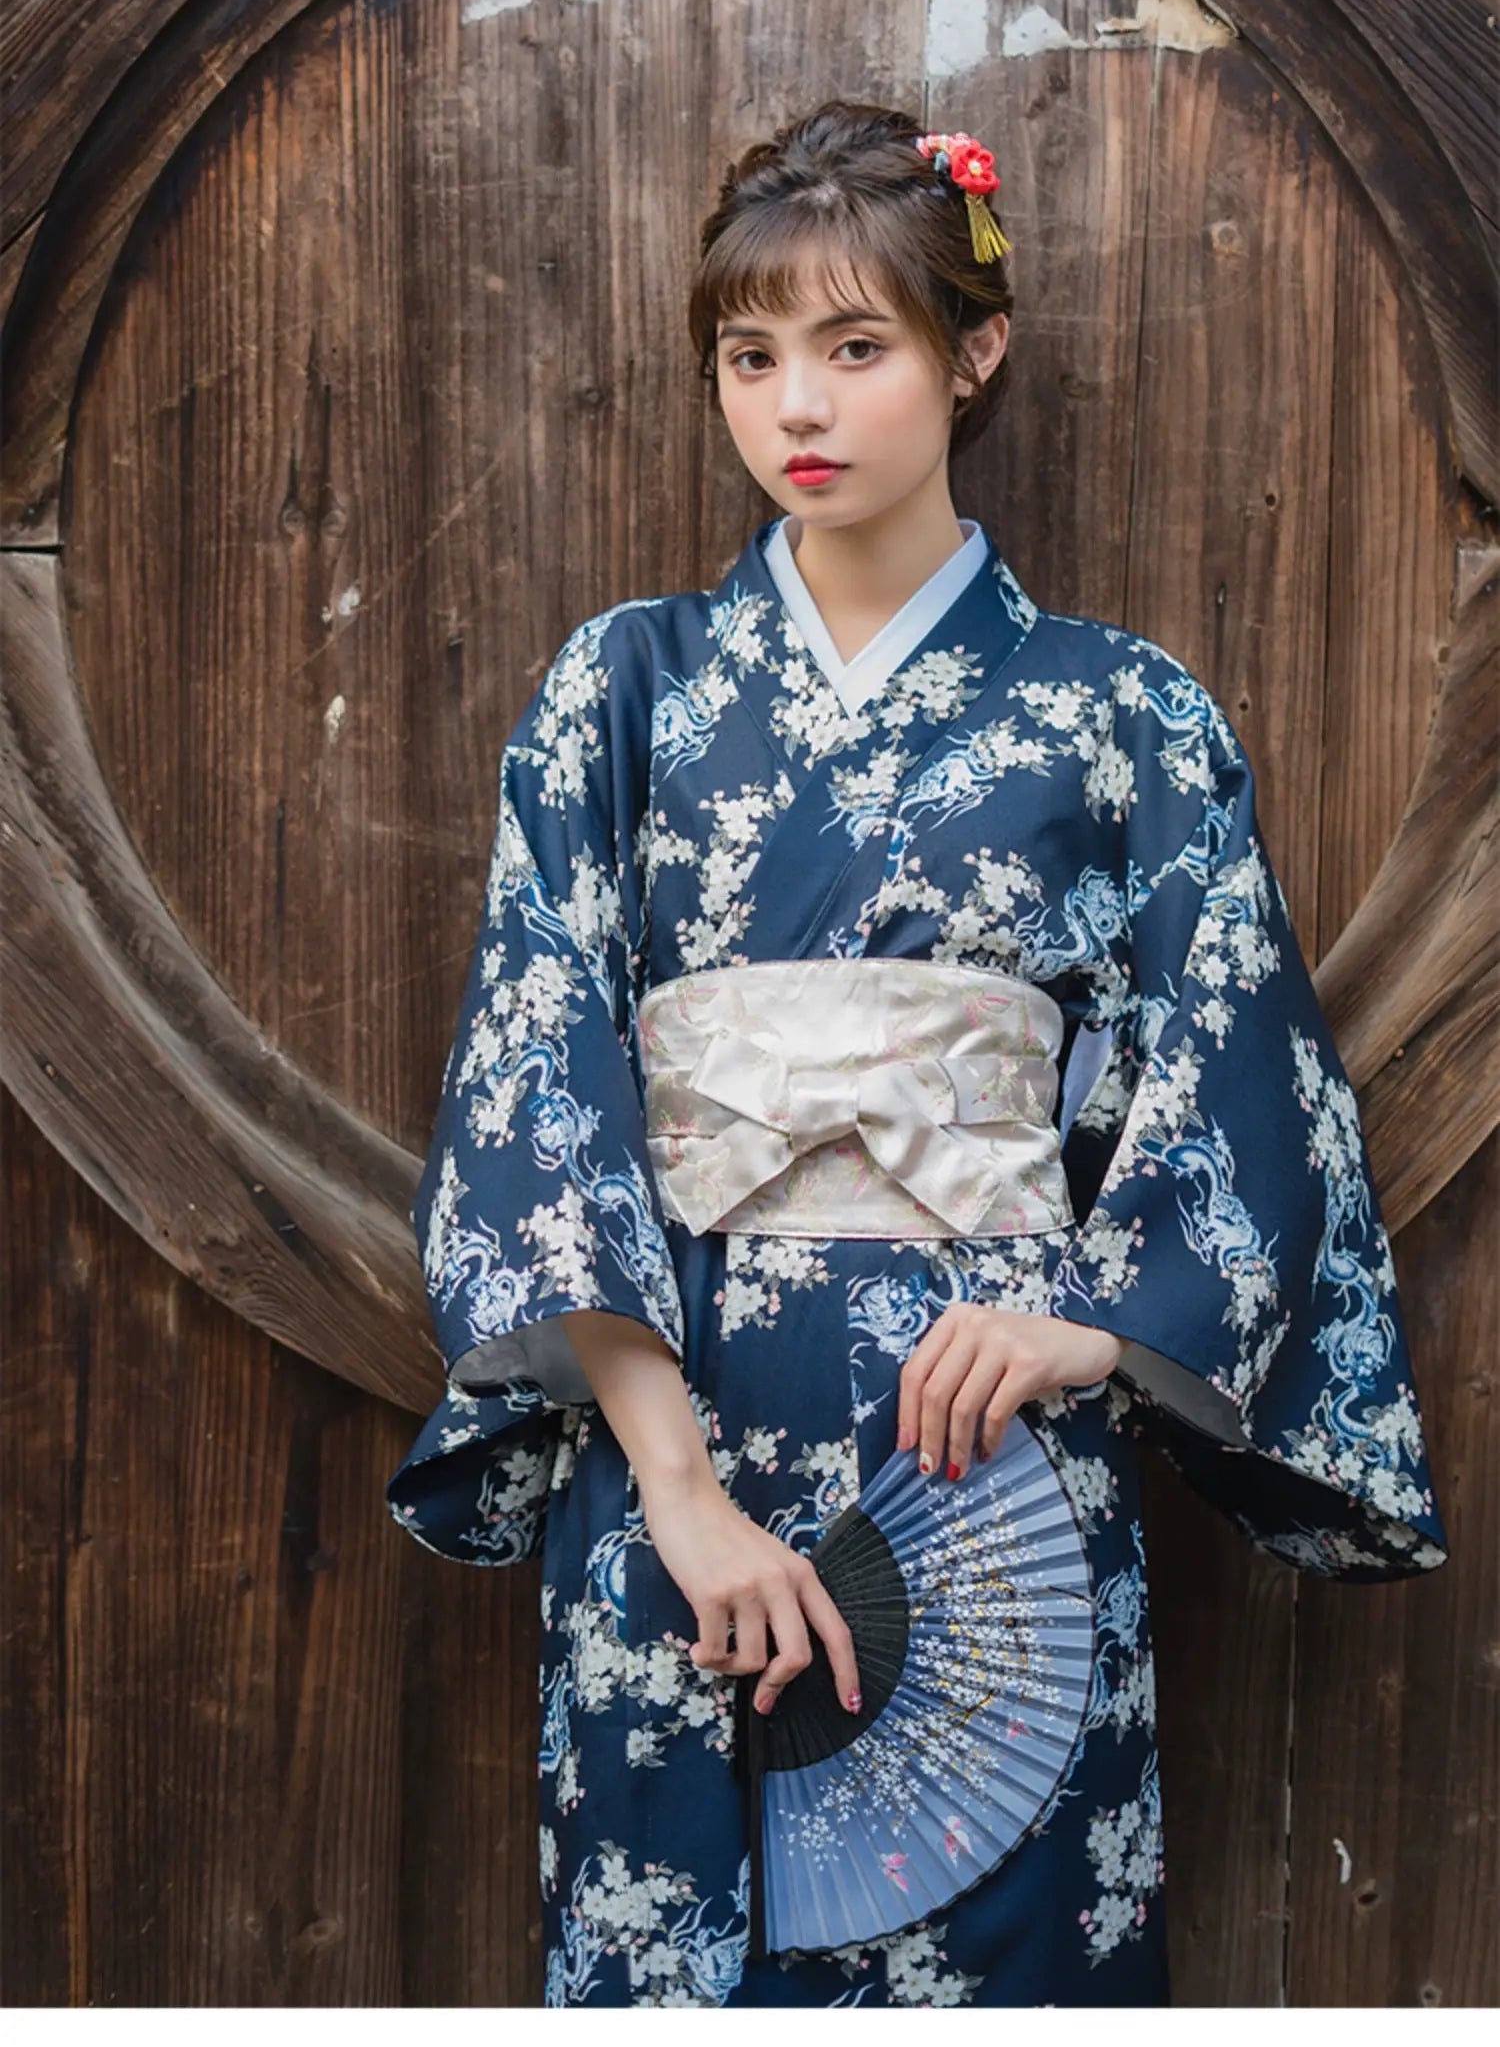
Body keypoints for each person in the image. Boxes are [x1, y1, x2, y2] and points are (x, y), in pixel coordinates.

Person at [385, 101, 1448, 2008]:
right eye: (752, 354)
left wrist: (1097, 1326)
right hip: (678, 1465)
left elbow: (1247, 1087)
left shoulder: (1121, 715)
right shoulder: (619, 689)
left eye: (856, 346)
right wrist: (676, 1489)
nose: (799, 403)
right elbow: (536, 1091)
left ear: (976, 352)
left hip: (993, 1477)